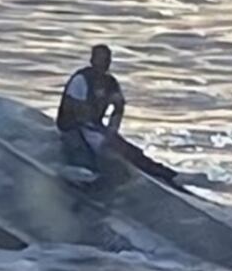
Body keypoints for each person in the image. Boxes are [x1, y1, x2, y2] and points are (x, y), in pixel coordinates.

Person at [56, 44, 185, 187]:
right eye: (100, 60)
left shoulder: (110, 83)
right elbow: (72, 109)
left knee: (128, 150)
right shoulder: (81, 80)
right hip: (73, 126)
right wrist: (98, 136)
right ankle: (85, 176)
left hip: (95, 127)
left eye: (106, 60)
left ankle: (163, 173)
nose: (103, 64)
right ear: (92, 60)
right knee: (86, 149)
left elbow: (118, 107)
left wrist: (112, 130)